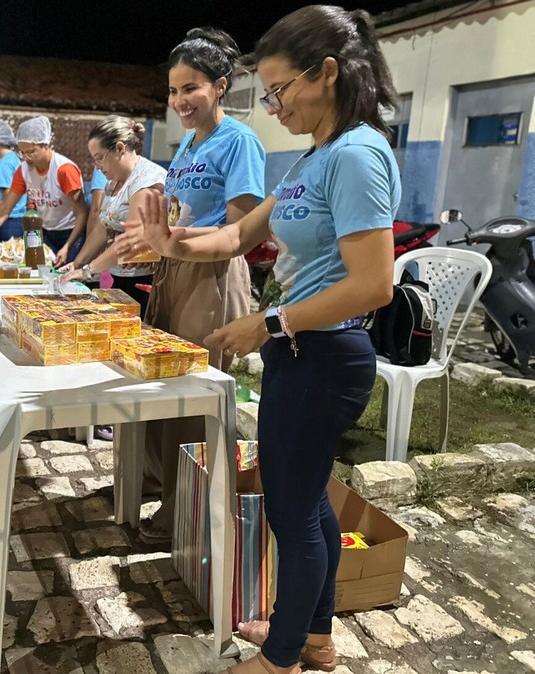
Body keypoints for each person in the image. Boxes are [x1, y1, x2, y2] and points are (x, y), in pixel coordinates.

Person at [128, 7, 400, 673]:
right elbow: (238, 237)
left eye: (280, 90)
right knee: (307, 502)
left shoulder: (360, 155)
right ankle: (313, 636)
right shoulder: (316, 157)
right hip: (300, 352)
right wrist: (173, 241)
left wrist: (269, 323)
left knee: (292, 509)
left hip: (326, 354)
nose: (274, 107)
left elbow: (374, 284)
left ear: (327, 73)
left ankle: (280, 658)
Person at [127, 28, 267, 546]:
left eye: (192, 88)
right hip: (174, 268)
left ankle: (180, 510)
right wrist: (152, 238)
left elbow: (240, 228)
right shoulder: (187, 142)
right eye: (173, 90)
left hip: (211, 274)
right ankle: (156, 481)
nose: (180, 101)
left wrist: (173, 238)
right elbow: (178, 216)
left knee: (191, 392)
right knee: (160, 382)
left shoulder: (241, 142)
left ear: (221, 86)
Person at [61, 116, 166, 318]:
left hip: (144, 280)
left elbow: (131, 241)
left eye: (99, 157)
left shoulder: (147, 181)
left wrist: (88, 270)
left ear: (119, 148)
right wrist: (78, 263)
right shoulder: (114, 182)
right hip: (120, 275)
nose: (97, 166)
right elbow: (102, 227)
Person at [0, 116, 88, 266]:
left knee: (67, 278)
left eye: (31, 152)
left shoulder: (64, 170)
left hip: (71, 233)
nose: (26, 158)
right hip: (45, 232)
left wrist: (67, 246)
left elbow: (82, 213)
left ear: (46, 144)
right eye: (22, 153)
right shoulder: (24, 170)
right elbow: (5, 208)